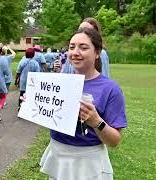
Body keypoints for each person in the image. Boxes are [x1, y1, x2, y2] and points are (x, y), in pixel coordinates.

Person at [39, 28, 127, 179]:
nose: (75, 52)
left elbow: (114, 141)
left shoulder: (110, 89)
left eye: (83, 47)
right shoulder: (60, 82)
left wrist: (96, 122)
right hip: (58, 155)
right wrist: (37, 102)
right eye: (72, 47)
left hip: (87, 162)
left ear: (97, 53)